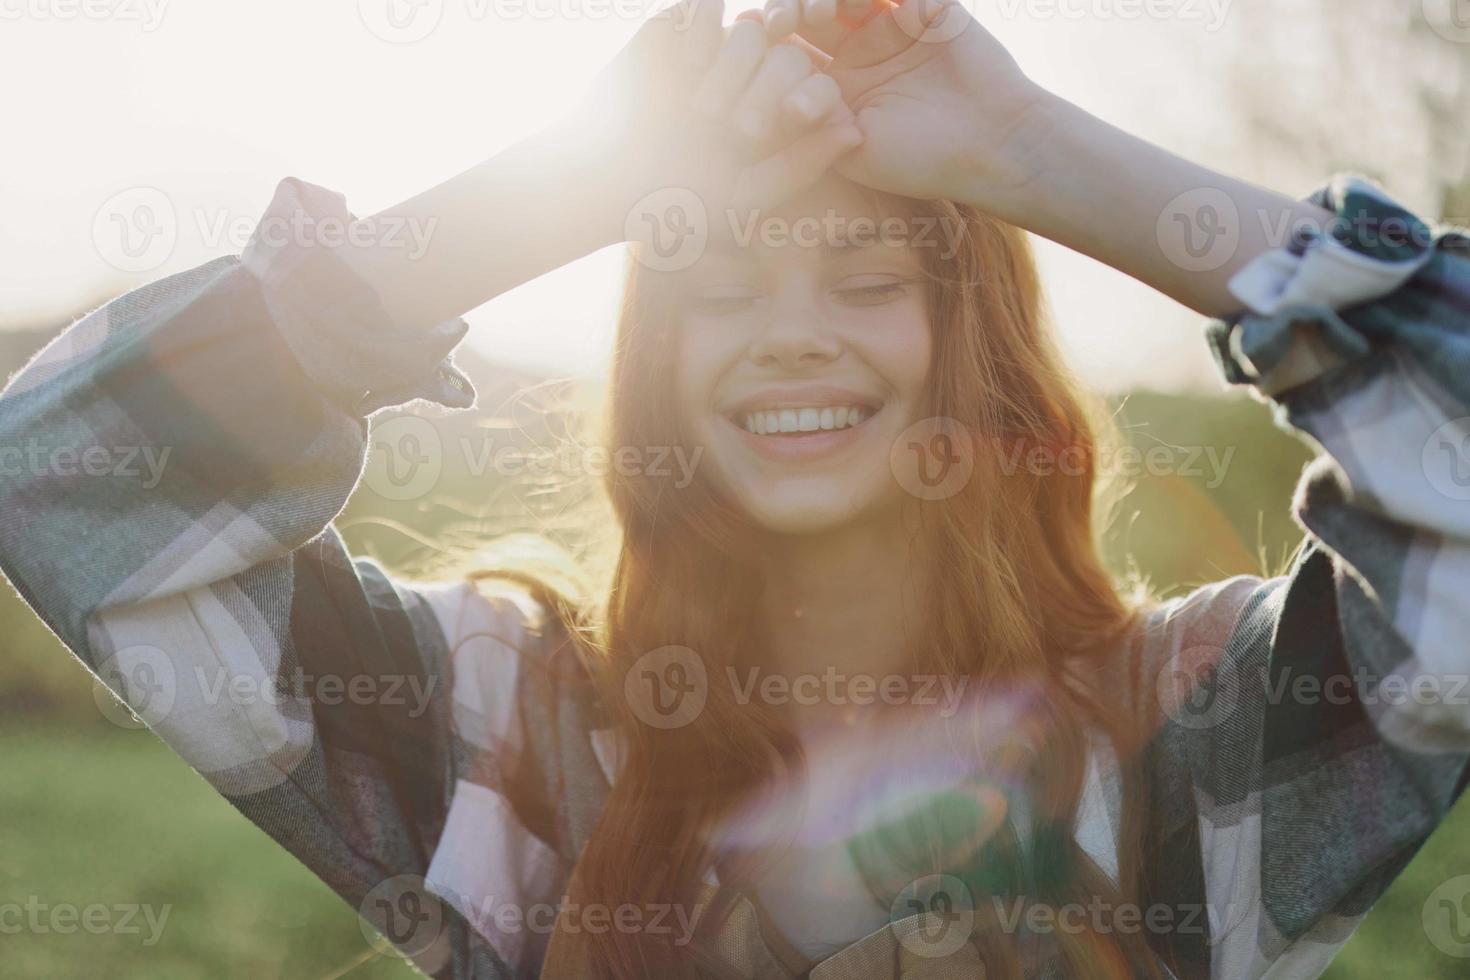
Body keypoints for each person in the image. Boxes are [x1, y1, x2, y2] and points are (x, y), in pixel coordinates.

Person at [2, 0, 1467, 976]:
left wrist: (1023, 152)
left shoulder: (1183, 722)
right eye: (719, 286)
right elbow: (70, 480)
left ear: (973, 346)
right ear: (651, 358)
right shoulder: (506, 722)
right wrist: (569, 190)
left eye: (866, 277)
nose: (788, 333)